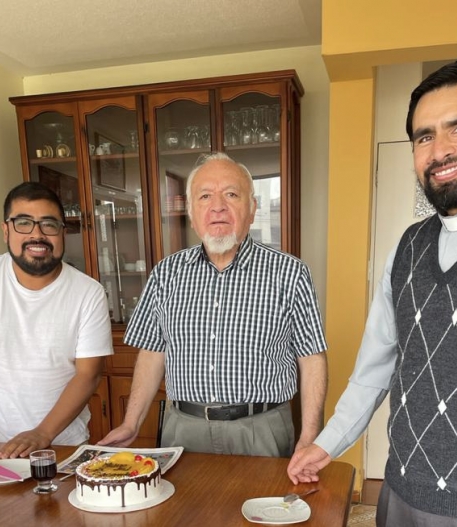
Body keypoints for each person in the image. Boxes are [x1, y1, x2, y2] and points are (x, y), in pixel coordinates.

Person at [288, 60, 457, 527]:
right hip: (401, 496)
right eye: (424, 136)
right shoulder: (407, 248)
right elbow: (374, 370)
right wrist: (325, 444)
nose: (439, 150)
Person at [98, 152, 328, 457]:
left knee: (261, 506)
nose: (218, 206)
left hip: (261, 430)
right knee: (182, 507)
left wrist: (311, 434)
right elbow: (153, 352)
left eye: (231, 194)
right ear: (192, 212)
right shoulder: (166, 273)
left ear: (252, 208)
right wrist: (131, 422)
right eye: (205, 196)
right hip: (182, 429)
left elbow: (311, 357)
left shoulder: (290, 273)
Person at [0, 181, 113, 464]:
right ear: (6, 230)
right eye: (24, 223)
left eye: (49, 224)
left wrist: (42, 433)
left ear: (63, 232)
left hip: (59, 447)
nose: (37, 235)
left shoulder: (87, 292)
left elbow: (88, 374)